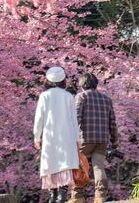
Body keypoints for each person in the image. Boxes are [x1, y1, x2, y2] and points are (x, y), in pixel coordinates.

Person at [34, 66, 80, 203]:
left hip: (49, 136)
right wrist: (77, 139)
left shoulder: (44, 96)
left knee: (50, 162)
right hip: (67, 135)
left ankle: (52, 195)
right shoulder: (68, 96)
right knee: (64, 164)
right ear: (63, 80)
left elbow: (39, 118)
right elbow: (74, 119)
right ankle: (62, 194)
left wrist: (37, 137)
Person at [70, 73, 119, 203]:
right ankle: (100, 196)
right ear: (95, 84)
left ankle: (77, 197)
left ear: (82, 85)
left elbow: (76, 119)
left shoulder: (81, 97)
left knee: (79, 166)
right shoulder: (106, 99)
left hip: (85, 138)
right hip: (102, 140)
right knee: (98, 166)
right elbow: (112, 122)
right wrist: (115, 142)